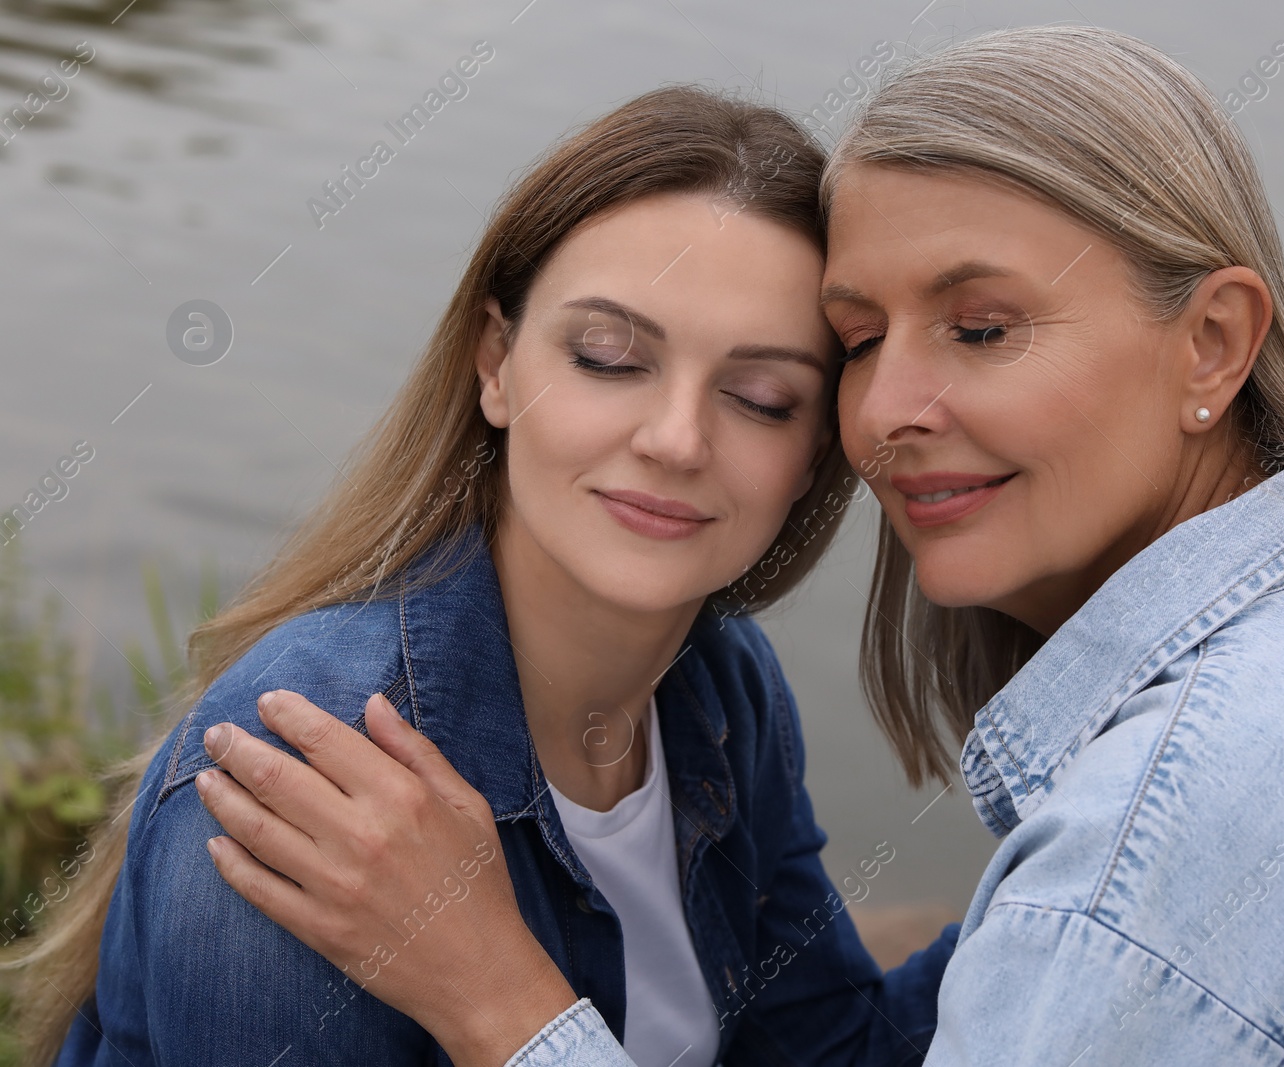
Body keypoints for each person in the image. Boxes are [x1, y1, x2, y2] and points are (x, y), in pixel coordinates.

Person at [189, 23, 1284, 1067]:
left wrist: (506, 1006)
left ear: (1214, 344)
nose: (895, 412)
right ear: (494, 363)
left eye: (980, 327)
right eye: (862, 342)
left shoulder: (1127, 871)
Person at [10, 85, 956, 1067]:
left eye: (761, 397)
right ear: (496, 364)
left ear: (813, 452)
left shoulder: (723, 686)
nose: (676, 439)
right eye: (607, 357)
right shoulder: (313, 775)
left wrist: (1088, 864)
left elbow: (829, 1047)